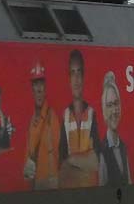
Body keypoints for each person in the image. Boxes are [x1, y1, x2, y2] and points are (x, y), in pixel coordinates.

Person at [59, 49, 101, 187]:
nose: (76, 78)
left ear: (83, 77)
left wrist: (71, 159)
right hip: (70, 192)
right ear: (69, 79)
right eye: (72, 73)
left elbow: (95, 162)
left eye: (79, 72)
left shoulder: (91, 114)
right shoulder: (65, 116)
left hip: (91, 191)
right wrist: (84, 159)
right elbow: (62, 164)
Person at [23, 61, 60, 190]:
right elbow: (28, 156)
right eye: (35, 84)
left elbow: (60, 155)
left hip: (50, 185)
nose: (39, 89)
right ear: (32, 90)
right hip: (36, 186)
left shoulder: (52, 118)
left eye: (41, 84)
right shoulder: (32, 122)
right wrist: (27, 170)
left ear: (45, 89)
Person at [98, 71, 131, 187]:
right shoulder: (102, 151)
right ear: (104, 110)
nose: (114, 111)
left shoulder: (123, 147)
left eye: (116, 104)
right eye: (109, 105)